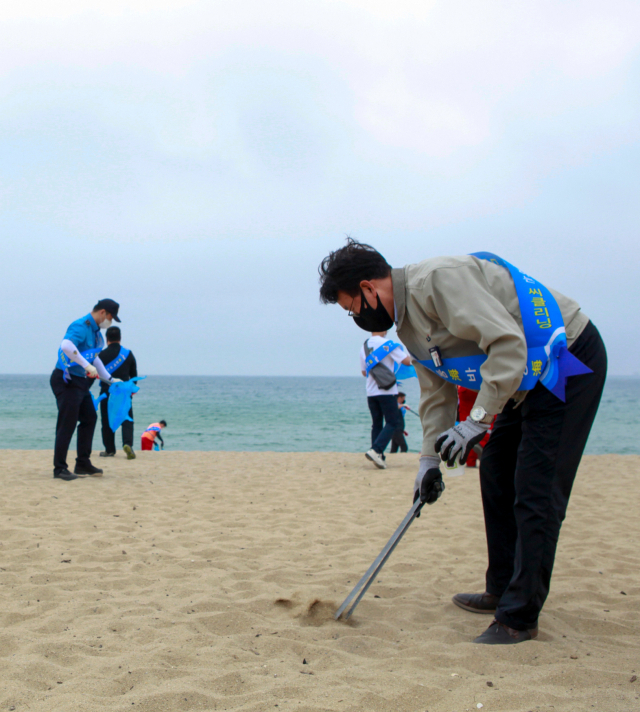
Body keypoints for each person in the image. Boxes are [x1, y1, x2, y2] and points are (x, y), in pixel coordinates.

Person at [319, 239, 606, 645]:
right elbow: (437, 395)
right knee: (496, 469)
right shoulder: (407, 325)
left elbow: (508, 344)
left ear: (368, 289)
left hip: (566, 361)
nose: (356, 317)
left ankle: (519, 617)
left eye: (352, 308)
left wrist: (475, 422)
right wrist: (428, 462)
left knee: (536, 489)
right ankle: (503, 587)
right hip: (521, 380)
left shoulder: (438, 281)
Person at [50, 299, 123, 481]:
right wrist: (86, 366)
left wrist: (110, 379)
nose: (110, 321)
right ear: (102, 312)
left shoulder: (97, 333)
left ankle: (82, 463)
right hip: (66, 380)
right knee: (67, 423)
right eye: (111, 317)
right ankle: (59, 468)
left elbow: (95, 359)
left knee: (90, 417)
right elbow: (66, 346)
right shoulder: (81, 325)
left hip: (80, 382)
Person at [359, 331, 412, 468]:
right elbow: (407, 361)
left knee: (376, 424)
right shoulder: (388, 345)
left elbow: (364, 371)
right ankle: (376, 450)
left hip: (371, 391)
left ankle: (379, 456)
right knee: (392, 422)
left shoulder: (364, 346)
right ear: (384, 329)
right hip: (387, 391)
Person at [98, 326, 138, 460]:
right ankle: (128, 445)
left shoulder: (101, 355)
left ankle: (109, 450)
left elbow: (95, 374)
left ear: (107, 338)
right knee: (126, 419)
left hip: (106, 391)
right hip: (123, 392)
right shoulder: (128, 354)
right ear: (120, 338)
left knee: (107, 420)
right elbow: (134, 376)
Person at [456, 386, 494, 467]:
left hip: (464, 387)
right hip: (483, 386)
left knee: (465, 424)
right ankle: (483, 445)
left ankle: (470, 460)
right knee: (487, 420)